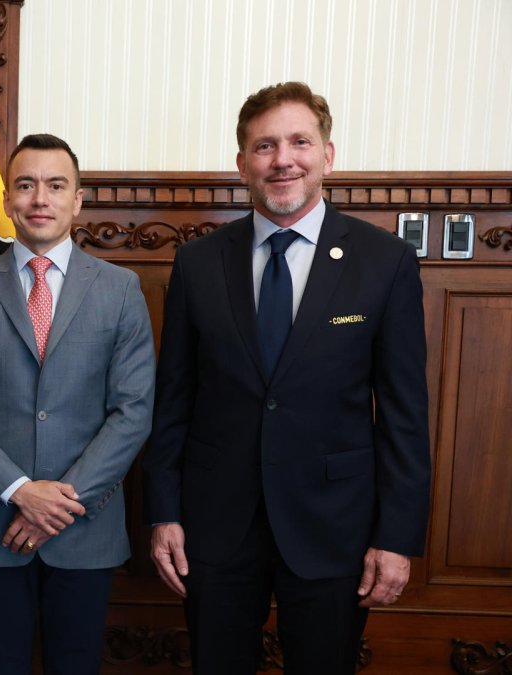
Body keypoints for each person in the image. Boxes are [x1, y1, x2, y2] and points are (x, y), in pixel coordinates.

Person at [144, 82, 431, 674]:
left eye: (300, 141)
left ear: (328, 155)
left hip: (335, 528)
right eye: (265, 145)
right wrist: (164, 513)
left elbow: (405, 415)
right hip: (216, 526)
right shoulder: (199, 263)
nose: (283, 159)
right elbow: (173, 400)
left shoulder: (385, 262)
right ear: (242, 163)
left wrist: (397, 537)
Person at [0, 133, 155, 674]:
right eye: (26, 185)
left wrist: (60, 504)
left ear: (78, 200)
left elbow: (133, 410)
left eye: (56, 186)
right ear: (6, 199)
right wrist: (20, 492)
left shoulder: (121, 289)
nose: (40, 199)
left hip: (86, 527)